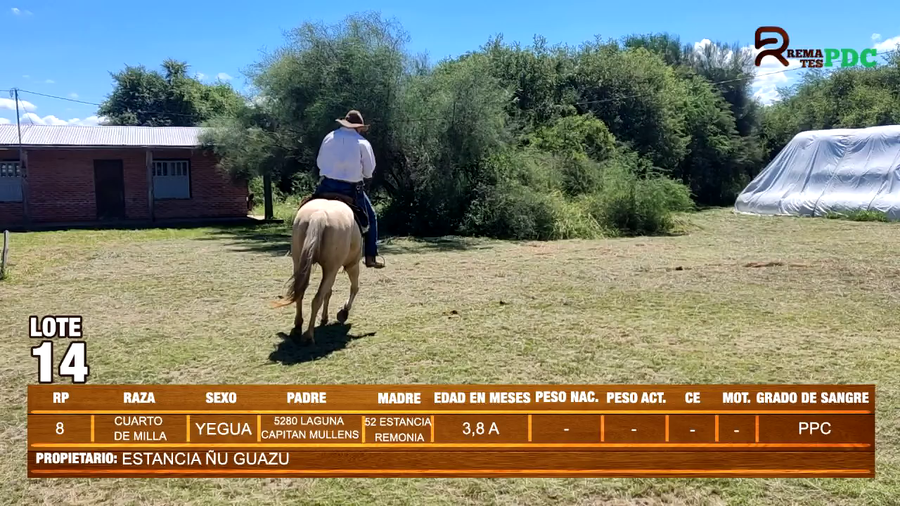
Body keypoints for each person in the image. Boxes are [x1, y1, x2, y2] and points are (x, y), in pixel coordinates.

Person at [313, 110, 385, 269]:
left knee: (306, 207)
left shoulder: (329, 137)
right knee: (371, 218)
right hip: (351, 189)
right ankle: (371, 257)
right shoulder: (362, 143)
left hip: (326, 185)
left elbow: (319, 163)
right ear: (359, 127)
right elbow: (368, 172)